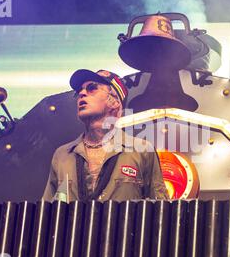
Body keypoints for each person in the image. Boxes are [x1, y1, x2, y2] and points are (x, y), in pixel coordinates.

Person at [43, 69, 168, 202]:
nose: (82, 93)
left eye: (92, 88)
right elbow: (47, 212)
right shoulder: (62, 155)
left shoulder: (141, 150)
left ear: (114, 102)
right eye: (80, 91)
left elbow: (160, 209)